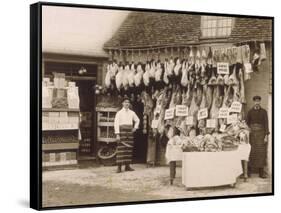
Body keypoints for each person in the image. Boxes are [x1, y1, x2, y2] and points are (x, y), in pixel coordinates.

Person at [114, 97, 140, 173]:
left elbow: (138, 120)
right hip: (122, 133)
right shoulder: (119, 113)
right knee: (121, 150)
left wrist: (135, 128)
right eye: (125, 102)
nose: (127, 103)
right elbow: (116, 124)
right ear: (122, 103)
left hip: (129, 133)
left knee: (128, 150)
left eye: (128, 102)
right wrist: (117, 134)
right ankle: (119, 167)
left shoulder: (132, 112)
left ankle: (127, 166)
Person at [246, 95, 269, 178]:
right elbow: (247, 124)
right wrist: (247, 133)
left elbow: (266, 123)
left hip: (261, 134)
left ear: (260, 102)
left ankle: (261, 172)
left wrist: (266, 135)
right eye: (255, 101)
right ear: (254, 102)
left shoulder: (264, 112)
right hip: (252, 135)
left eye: (258, 101)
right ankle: (248, 172)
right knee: (250, 151)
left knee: (261, 152)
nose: (257, 102)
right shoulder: (250, 112)